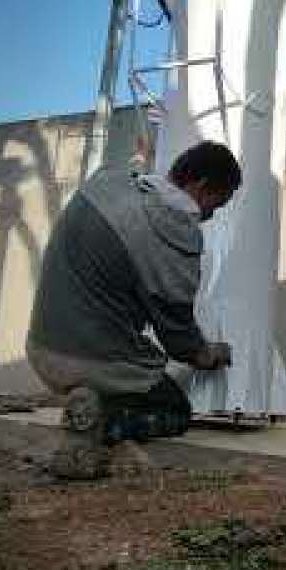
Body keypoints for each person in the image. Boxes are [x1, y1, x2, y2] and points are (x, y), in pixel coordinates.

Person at [27, 140, 241, 479]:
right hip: (92, 359)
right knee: (173, 408)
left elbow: (137, 168)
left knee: (131, 364)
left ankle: (89, 403)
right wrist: (207, 354)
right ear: (199, 186)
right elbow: (177, 336)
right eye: (217, 204)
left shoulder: (109, 182)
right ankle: (102, 426)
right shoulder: (175, 232)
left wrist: (144, 155)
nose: (210, 217)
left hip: (41, 347)